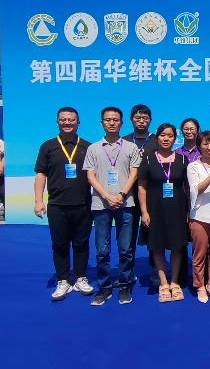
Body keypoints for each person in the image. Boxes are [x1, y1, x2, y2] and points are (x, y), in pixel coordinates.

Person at [33, 107, 94, 301]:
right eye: (63, 119)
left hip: (83, 204)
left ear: (78, 122)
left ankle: (80, 278)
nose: (67, 122)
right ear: (57, 122)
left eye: (71, 119)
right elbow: (41, 174)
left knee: (81, 243)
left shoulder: (88, 147)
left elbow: (95, 176)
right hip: (57, 205)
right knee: (59, 244)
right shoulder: (48, 146)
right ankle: (63, 280)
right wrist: (38, 201)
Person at [84, 107, 140, 306]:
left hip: (126, 203)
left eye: (115, 120)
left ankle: (124, 285)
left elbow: (134, 174)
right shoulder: (93, 148)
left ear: (121, 123)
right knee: (102, 249)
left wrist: (122, 194)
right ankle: (104, 287)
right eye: (108, 120)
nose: (112, 123)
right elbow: (90, 176)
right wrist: (107, 196)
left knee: (125, 249)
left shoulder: (131, 147)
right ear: (102, 123)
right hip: (101, 204)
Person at [137, 123, 190, 303]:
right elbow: (141, 187)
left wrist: (189, 211)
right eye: (162, 135)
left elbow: (187, 188)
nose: (166, 139)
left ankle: (174, 282)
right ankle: (163, 283)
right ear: (157, 137)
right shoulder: (148, 159)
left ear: (175, 138)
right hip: (155, 209)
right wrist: (144, 212)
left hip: (177, 209)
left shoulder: (182, 160)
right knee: (157, 246)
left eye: (170, 136)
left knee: (177, 246)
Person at [122, 104, 160, 287]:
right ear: (131, 120)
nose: (141, 121)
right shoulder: (123, 141)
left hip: (150, 194)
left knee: (152, 232)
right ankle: (127, 271)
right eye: (137, 117)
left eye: (145, 118)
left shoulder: (156, 141)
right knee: (127, 235)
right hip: (127, 195)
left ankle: (155, 268)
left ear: (150, 121)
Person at [187, 130, 210, 303]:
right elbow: (197, 190)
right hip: (200, 217)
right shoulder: (193, 167)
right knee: (199, 254)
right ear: (199, 146)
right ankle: (200, 285)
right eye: (205, 144)